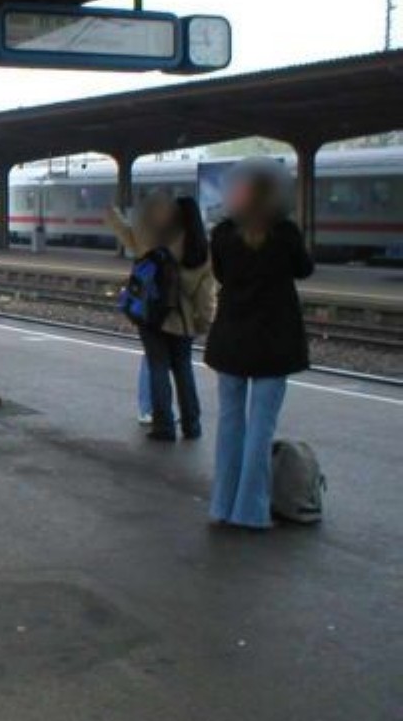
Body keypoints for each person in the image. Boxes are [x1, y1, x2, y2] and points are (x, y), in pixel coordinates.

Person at [206, 166, 313, 529]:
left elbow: (221, 275)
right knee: (260, 428)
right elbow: (304, 269)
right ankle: (250, 511)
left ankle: (221, 506)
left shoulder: (223, 233)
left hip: (231, 340)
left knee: (229, 424)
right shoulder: (285, 232)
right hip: (274, 342)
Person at [108, 193, 215, 441]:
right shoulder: (202, 250)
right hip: (184, 323)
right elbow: (206, 296)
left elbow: (126, 233)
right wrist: (202, 323)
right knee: (184, 371)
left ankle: (164, 426)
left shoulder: (154, 239)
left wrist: (112, 213)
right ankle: (192, 426)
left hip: (152, 317)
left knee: (158, 369)